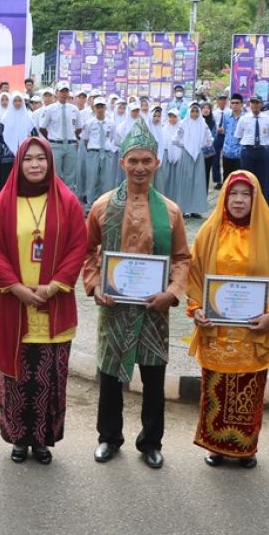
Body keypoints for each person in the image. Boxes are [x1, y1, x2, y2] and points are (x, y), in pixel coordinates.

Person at [83, 119, 190, 469]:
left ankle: (151, 442)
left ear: (157, 163)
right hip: (114, 307)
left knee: (154, 376)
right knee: (111, 375)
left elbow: (181, 258)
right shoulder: (102, 206)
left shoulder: (171, 212)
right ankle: (109, 437)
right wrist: (96, 284)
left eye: (147, 160)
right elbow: (87, 251)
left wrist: (172, 293)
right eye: (134, 161)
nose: (140, 168)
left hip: (154, 309)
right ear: (122, 163)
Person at [0, 137, 87, 463]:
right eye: (28, 159)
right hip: (14, 301)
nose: (34, 165)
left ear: (50, 162)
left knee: (49, 375)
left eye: (40, 159)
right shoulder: (5, 202)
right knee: (16, 375)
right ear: (18, 162)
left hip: (53, 301)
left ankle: (43, 440)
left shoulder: (67, 201)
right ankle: (18, 438)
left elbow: (77, 246)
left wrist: (53, 287)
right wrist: (15, 287)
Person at [186, 171, 269, 468]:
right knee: (216, 390)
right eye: (233, 194)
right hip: (218, 332)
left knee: (248, 391)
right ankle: (215, 446)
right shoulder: (209, 232)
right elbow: (193, 278)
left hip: (252, 332)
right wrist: (196, 309)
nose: (238, 200)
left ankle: (246, 448)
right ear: (223, 196)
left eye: (246, 194)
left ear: (255, 199)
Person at [38, 82, 82, 197]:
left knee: (70, 175)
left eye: (66, 91)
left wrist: (72, 137)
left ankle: (68, 200)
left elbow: (78, 128)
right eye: (61, 91)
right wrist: (51, 139)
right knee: (55, 174)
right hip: (55, 145)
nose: (63, 94)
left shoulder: (74, 109)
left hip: (71, 145)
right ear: (56, 93)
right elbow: (42, 127)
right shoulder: (50, 109)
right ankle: (55, 198)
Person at [176, 102, 210, 217]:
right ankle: (185, 208)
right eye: (192, 111)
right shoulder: (183, 123)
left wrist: (200, 146)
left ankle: (195, 208)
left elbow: (209, 139)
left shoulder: (203, 124)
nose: (194, 114)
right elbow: (175, 139)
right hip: (186, 155)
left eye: (196, 111)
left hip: (198, 156)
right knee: (186, 181)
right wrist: (185, 145)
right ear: (189, 112)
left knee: (197, 182)